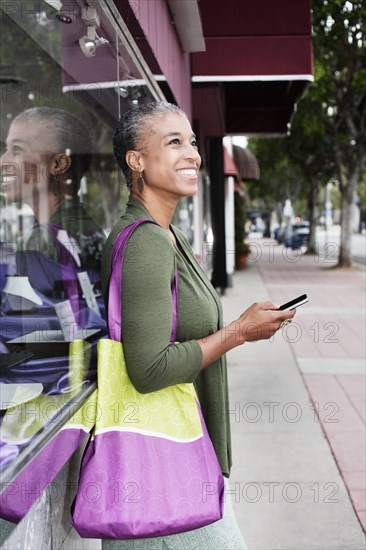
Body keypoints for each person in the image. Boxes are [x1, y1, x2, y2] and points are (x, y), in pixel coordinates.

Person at [101, 102, 295, 549]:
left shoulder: (169, 234)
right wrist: (238, 332)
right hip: (162, 466)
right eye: (174, 142)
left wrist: (241, 329)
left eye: (191, 141)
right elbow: (147, 368)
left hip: (177, 453)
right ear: (136, 160)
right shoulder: (147, 241)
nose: (192, 153)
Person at [0, 107, 105, 293]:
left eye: (17, 149)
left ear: (58, 164)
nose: (2, 161)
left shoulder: (42, 241)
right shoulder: (88, 230)